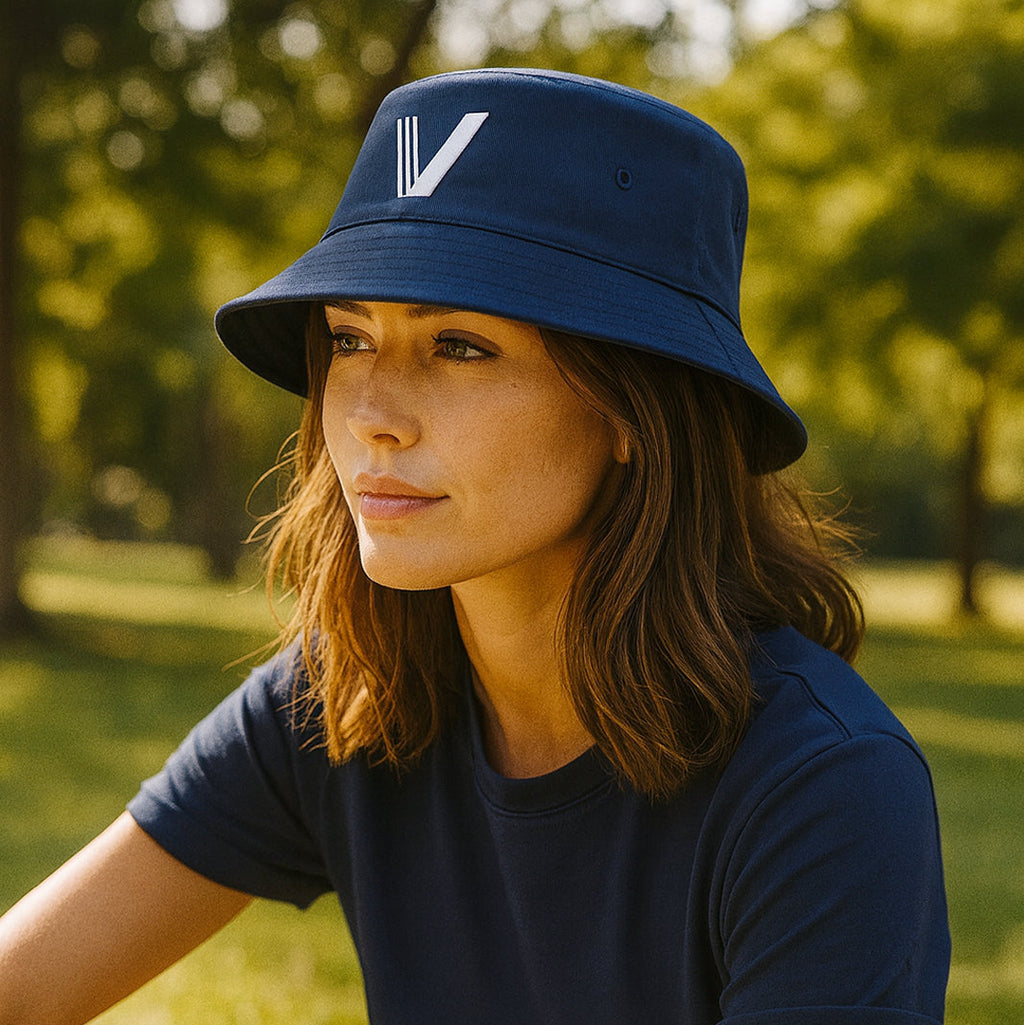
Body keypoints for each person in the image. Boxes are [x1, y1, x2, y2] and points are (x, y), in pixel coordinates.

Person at [0, 68, 949, 1025]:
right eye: (349, 338)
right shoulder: (347, 700)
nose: (371, 414)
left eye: (460, 345)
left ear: (637, 410)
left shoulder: (824, 788)